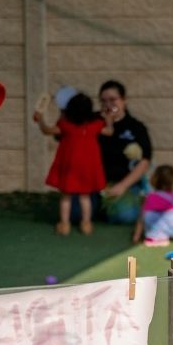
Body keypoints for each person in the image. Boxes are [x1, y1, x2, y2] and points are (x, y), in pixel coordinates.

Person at [33, 91, 113, 236]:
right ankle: (86, 223)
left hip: (69, 166)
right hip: (88, 167)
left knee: (66, 196)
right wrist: (108, 118)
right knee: (85, 196)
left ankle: (64, 224)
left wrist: (40, 120)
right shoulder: (95, 125)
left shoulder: (65, 125)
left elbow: (46, 131)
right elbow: (109, 131)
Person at [97, 79, 153, 225]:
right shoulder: (94, 123)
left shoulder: (136, 127)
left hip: (126, 183)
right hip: (96, 184)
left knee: (124, 217)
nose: (108, 105)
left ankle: (126, 204)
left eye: (112, 100)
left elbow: (145, 161)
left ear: (123, 100)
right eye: (103, 101)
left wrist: (122, 186)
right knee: (76, 214)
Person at [132, 164, 173, 248]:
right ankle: (166, 233)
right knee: (165, 213)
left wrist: (136, 236)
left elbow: (141, 218)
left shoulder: (152, 197)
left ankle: (157, 238)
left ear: (155, 179)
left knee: (148, 214)